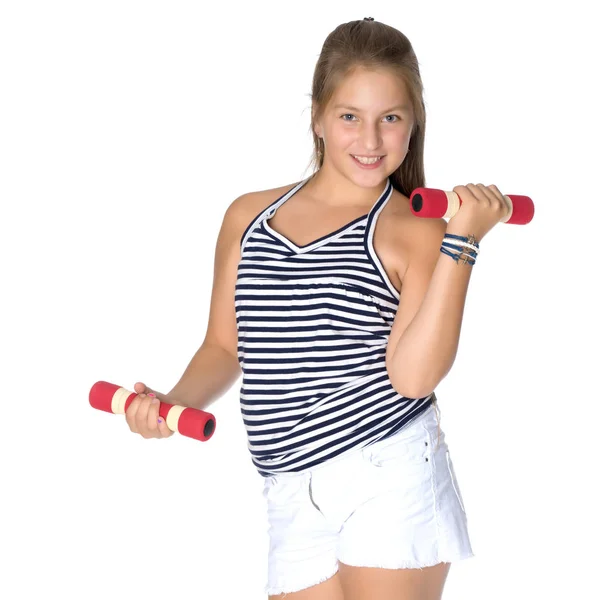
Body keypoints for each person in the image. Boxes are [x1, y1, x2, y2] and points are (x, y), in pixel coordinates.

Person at [125, 17, 510, 600]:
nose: (371, 140)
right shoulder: (247, 217)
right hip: (288, 490)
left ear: (414, 124)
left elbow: (413, 377)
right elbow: (225, 347)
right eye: (350, 116)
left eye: (391, 118)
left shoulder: (415, 229)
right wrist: (171, 404)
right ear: (318, 115)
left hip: (389, 475)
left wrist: (462, 242)